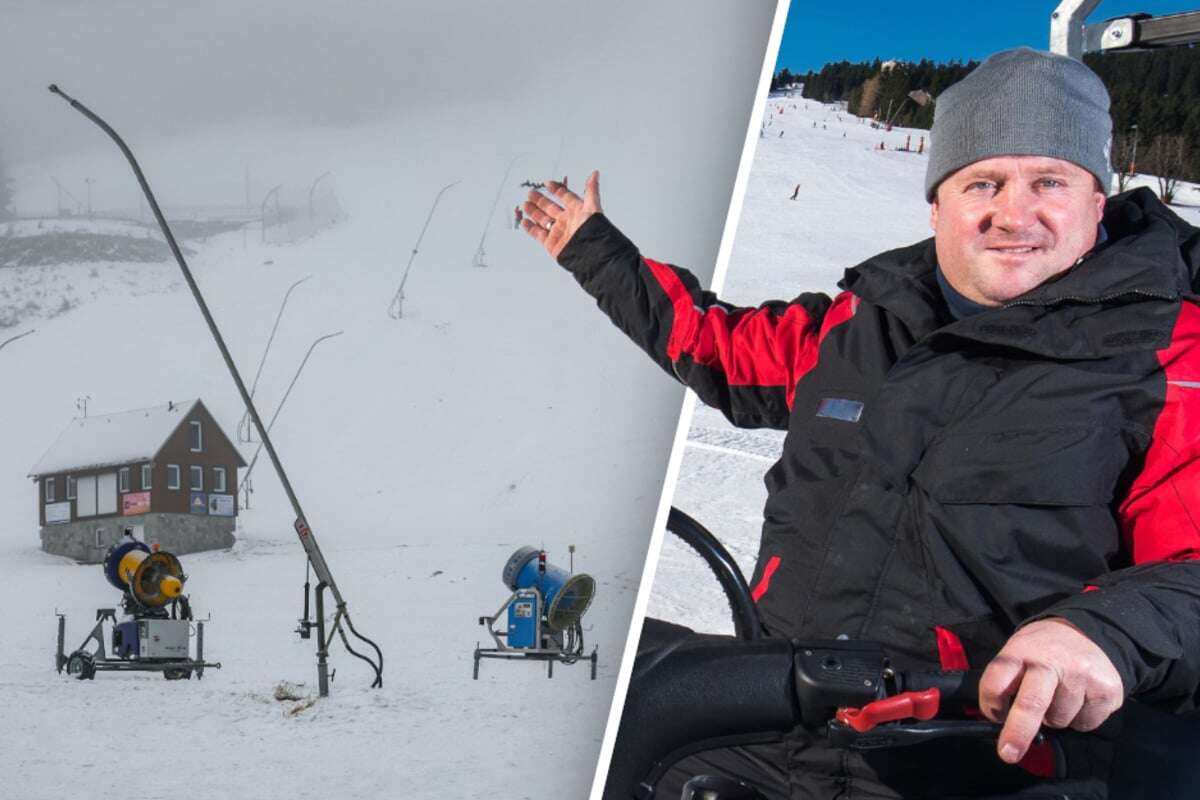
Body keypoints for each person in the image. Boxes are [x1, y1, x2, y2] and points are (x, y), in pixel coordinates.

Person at [523, 48, 1200, 799]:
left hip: (983, 760)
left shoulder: (1167, 356)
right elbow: (713, 344)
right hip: (771, 724)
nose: (1015, 214)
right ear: (937, 203)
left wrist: (1099, 633)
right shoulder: (859, 325)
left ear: (1096, 200)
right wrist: (592, 251)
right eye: (984, 182)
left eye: (1050, 181)